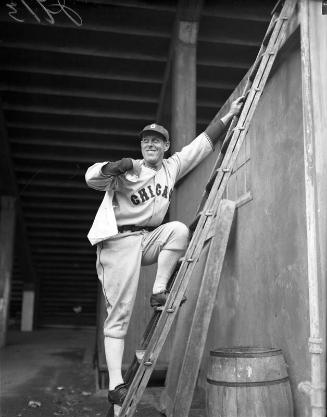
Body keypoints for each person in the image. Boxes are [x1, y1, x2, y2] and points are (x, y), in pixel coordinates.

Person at [85, 96, 243, 414]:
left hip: (145, 239)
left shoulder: (170, 168)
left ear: (166, 146)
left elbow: (201, 146)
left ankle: (159, 290)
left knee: (179, 232)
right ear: (142, 146)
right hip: (117, 243)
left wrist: (228, 116)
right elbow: (92, 178)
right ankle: (116, 386)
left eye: (157, 140)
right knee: (119, 316)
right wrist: (113, 166)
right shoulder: (129, 170)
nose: (150, 144)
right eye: (146, 140)